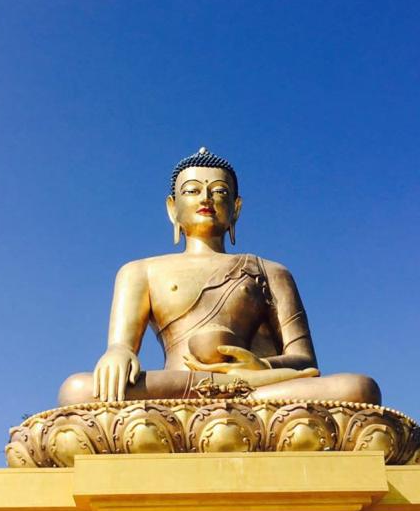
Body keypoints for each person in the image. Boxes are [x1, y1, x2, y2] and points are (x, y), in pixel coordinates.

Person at [57, 148, 381, 406]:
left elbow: (305, 361)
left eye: (219, 192)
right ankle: (235, 404)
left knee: (359, 388)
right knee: (78, 390)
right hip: (178, 385)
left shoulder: (272, 272)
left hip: (252, 386)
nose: (205, 199)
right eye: (192, 190)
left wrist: (259, 368)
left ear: (236, 209)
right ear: (173, 208)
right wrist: (118, 353)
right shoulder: (140, 271)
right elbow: (120, 346)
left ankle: (237, 400)